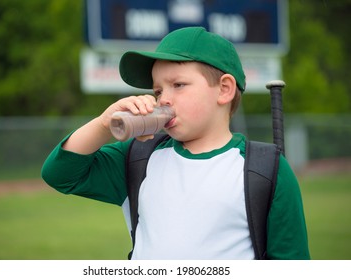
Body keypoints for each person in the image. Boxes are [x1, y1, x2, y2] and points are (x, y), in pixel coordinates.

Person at [41, 27, 310, 260]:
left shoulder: (264, 169)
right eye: (158, 90)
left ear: (224, 89)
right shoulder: (139, 157)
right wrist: (103, 124)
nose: (163, 99)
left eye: (178, 85)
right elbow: (60, 174)